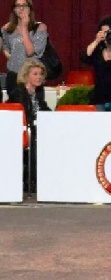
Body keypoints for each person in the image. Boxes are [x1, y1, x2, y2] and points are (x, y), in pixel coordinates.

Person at [8, 59, 51, 193]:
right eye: (35, 74)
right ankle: (32, 181)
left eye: (40, 74)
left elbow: (44, 110)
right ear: (26, 75)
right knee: (36, 141)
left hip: (36, 130)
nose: (39, 77)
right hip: (20, 132)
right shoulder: (18, 92)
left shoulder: (38, 92)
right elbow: (24, 116)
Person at [2, 0, 49, 97]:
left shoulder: (40, 28)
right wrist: (10, 56)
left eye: (24, 5)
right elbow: (5, 47)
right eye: (18, 6)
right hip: (14, 76)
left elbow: (30, 51)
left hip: (33, 78)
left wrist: (24, 27)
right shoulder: (7, 29)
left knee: (35, 108)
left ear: (30, 8)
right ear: (14, 9)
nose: (21, 9)